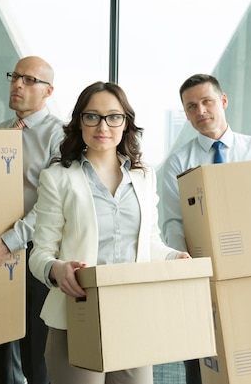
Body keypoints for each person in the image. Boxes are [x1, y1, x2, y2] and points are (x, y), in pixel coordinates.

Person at [28, 81, 191, 384]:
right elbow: (39, 255)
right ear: (80, 122)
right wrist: (57, 269)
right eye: (92, 116)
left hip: (133, 315)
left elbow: (149, 243)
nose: (103, 125)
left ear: (126, 122)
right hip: (77, 316)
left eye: (113, 116)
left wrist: (174, 256)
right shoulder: (58, 178)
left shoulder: (144, 176)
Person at [160, 73, 251, 384]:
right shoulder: (177, 163)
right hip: (203, 275)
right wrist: (186, 264)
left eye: (206, 101)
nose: (200, 111)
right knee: (202, 362)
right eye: (191, 107)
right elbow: (172, 222)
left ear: (223, 101)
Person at [0, 56, 65, 384]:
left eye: (29, 80)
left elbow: (51, 205)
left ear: (48, 90)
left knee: (35, 356)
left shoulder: (60, 137)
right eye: (14, 76)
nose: (17, 85)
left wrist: (9, 241)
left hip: (35, 254)